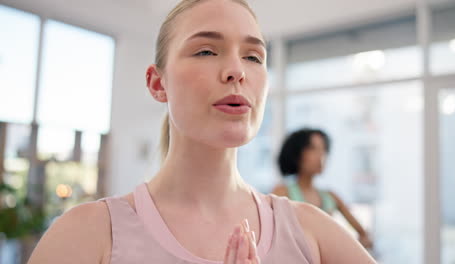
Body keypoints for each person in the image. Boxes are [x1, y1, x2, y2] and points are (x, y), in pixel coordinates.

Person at [28, 0, 376, 263]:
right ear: (157, 83)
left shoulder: (311, 232)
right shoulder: (85, 235)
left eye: (253, 57)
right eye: (207, 50)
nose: (236, 71)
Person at [272, 128, 374, 249]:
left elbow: (365, 236)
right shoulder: (282, 192)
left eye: (323, 149)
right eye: (312, 148)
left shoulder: (330, 196)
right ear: (297, 153)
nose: (321, 155)